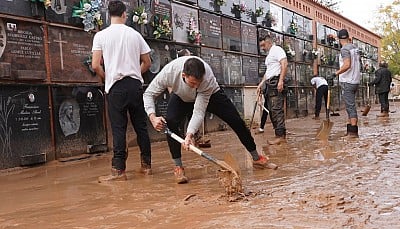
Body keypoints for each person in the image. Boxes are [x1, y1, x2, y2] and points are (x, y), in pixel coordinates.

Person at [143, 56, 271, 184]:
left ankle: (256, 158)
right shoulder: (169, 72)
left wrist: (189, 134)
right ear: (183, 75)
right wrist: (152, 117)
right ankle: (178, 167)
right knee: (170, 121)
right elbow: (148, 94)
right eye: (192, 83)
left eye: (198, 83)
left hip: (211, 94)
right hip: (181, 96)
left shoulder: (206, 79)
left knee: (236, 121)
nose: (195, 86)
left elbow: (198, 111)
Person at [91, 0, 152, 181]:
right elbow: (147, 63)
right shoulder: (135, 35)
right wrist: (134, 73)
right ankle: (146, 165)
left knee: (119, 128)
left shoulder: (101, 36)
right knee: (141, 126)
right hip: (134, 86)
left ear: (108, 15)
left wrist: (107, 77)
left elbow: (95, 65)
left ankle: (119, 170)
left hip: (115, 87)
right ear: (125, 14)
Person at [257, 34, 288, 145]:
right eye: (261, 46)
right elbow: (268, 72)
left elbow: (284, 64)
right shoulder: (269, 55)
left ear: (269, 42)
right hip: (270, 83)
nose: (262, 48)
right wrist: (261, 84)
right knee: (271, 109)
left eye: (263, 45)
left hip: (276, 81)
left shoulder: (277, 50)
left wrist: (281, 81)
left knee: (276, 109)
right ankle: (280, 135)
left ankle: (280, 136)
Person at [330, 29, 361, 138]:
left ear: (339, 39)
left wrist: (335, 74)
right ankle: (349, 130)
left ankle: (353, 133)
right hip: (356, 80)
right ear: (348, 37)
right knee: (350, 106)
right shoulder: (355, 48)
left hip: (348, 81)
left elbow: (347, 64)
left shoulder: (344, 49)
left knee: (350, 107)